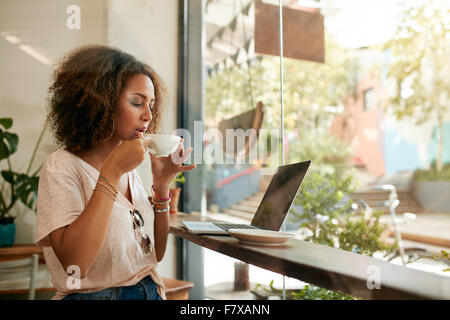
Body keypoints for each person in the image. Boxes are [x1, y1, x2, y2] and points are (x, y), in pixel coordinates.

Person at [36, 45, 195, 300]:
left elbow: (154, 255)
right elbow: (76, 264)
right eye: (137, 102)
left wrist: (162, 187)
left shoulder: (129, 172)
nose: (148, 115)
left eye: (151, 104)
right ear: (101, 102)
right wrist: (111, 172)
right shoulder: (62, 166)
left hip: (151, 291)